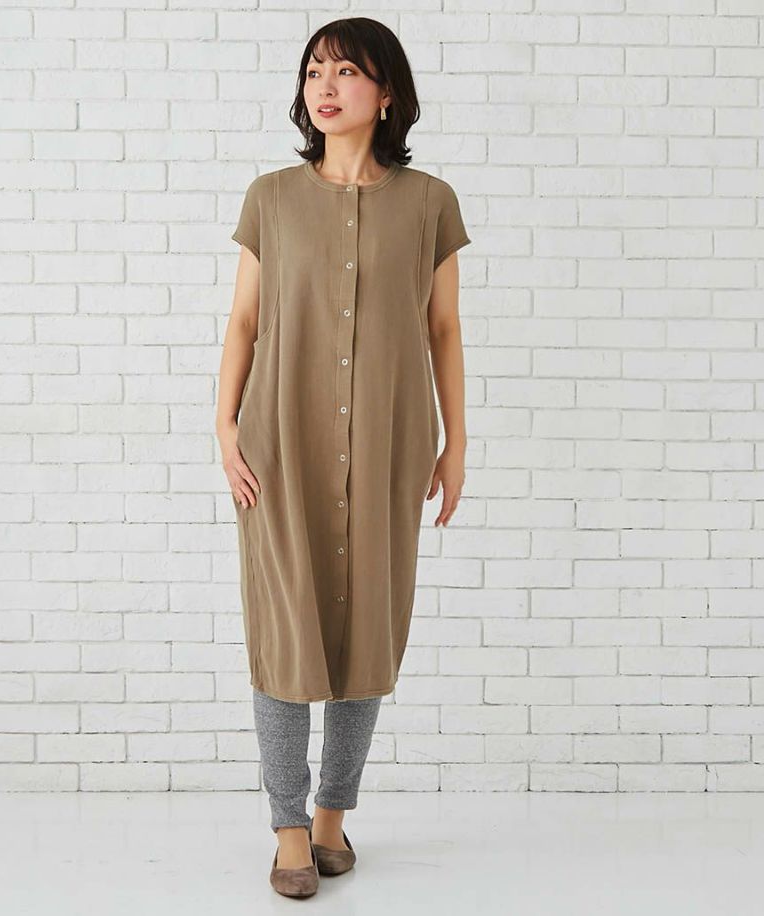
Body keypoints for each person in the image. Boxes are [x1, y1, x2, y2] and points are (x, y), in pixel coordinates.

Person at [215, 16, 471, 898]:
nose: (325, 88)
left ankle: (332, 815)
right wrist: (224, 427)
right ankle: (288, 826)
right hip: (279, 445)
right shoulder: (271, 198)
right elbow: (245, 321)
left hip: (392, 444)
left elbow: (443, 328)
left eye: (347, 72)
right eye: (314, 72)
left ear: (386, 93)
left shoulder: (430, 201)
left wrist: (456, 442)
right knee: (285, 634)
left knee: (368, 634)